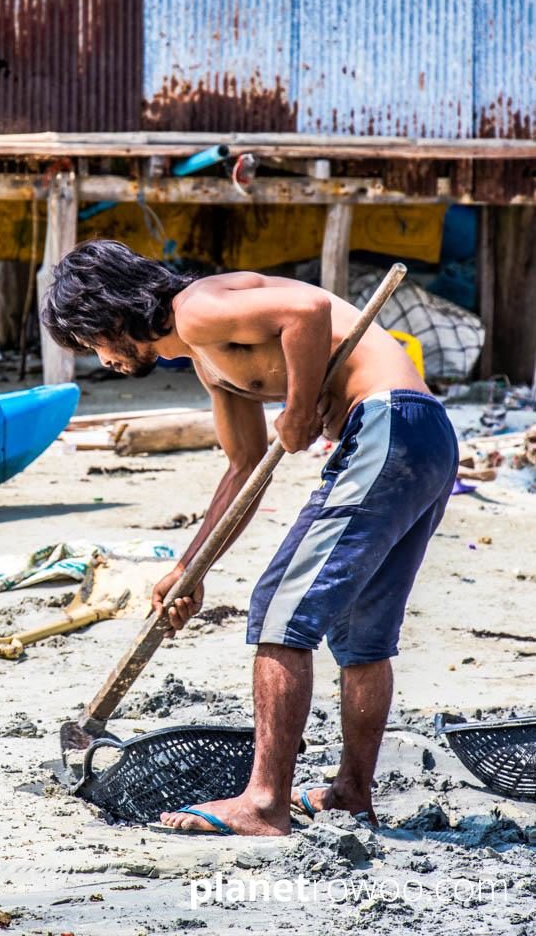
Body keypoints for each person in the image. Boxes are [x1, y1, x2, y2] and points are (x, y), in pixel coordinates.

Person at [42, 239, 458, 837]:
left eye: (92, 343)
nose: (100, 358)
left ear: (109, 316)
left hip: (387, 425)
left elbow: (306, 313)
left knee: (280, 607)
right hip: (422, 437)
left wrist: (298, 409)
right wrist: (190, 568)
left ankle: (264, 803)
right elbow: (243, 468)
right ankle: (351, 793)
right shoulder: (207, 360)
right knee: (360, 629)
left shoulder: (196, 308)